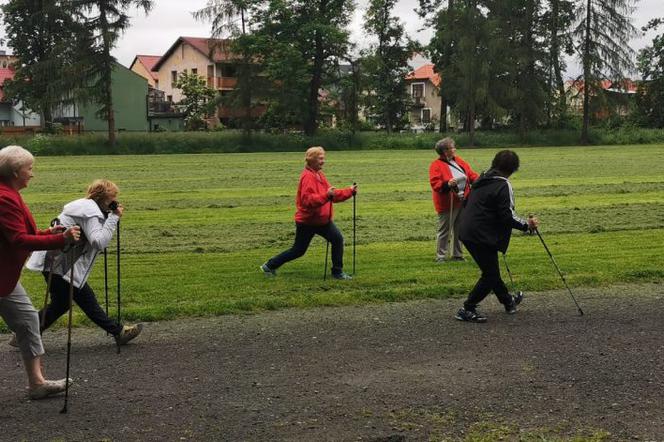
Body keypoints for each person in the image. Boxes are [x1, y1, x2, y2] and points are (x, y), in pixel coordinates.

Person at [0, 145, 81, 399]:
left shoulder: (9, 192)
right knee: (27, 321)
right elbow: (19, 240)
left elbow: (21, 235)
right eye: (29, 169)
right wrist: (60, 240)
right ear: (15, 172)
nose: (32, 174)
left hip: (6, 278)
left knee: (27, 321)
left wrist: (49, 235)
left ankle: (37, 384)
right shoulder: (3, 197)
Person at [24, 179, 143, 346]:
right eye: (112, 197)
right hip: (61, 265)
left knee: (62, 304)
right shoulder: (89, 211)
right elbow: (98, 242)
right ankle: (118, 332)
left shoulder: (85, 207)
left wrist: (108, 216)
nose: (114, 201)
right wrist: (113, 218)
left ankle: (26, 332)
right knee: (86, 299)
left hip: (57, 262)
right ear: (103, 197)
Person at [455, 150, 539, 323]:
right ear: (514, 169)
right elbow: (507, 215)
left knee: (491, 271)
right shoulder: (503, 185)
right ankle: (467, 307)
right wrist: (527, 225)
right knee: (490, 275)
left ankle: (508, 301)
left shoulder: (482, 179)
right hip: (481, 234)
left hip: (467, 230)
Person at [261, 146, 357, 280]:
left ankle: (337, 272)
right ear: (311, 160)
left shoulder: (319, 175)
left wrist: (349, 191)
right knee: (298, 250)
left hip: (322, 220)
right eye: (320, 158)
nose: (323, 161)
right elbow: (308, 201)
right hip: (308, 221)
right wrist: (326, 195)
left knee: (337, 239)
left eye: (323, 158)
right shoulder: (308, 177)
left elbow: (332, 195)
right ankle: (269, 266)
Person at [429, 137, 479, 262]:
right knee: (445, 230)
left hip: (462, 200)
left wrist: (480, 180)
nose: (455, 149)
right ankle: (441, 256)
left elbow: (470, 175)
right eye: (452, 147)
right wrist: (447, 184)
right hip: (447, 203)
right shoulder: (436, 165)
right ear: (445, 151)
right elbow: (435, 184)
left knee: (459, 228)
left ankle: (457, 255)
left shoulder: (459, 161)